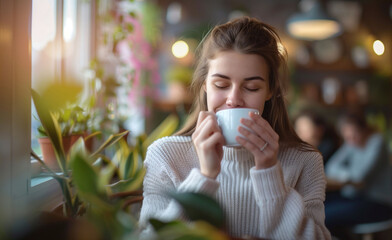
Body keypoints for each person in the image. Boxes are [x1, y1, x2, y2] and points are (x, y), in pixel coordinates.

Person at [139, 17, 331, 239]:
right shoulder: (165, 155)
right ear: (204, 85)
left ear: (269, 91)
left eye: (251, 87)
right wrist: (204, 177)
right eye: (221, 85)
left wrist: (269, 172)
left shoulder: (304, 160)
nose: (234, 99)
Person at [324, 111, 392, 237]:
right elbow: (330, 167)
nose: (352, 140)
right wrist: (346, 175)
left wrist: (344, 175)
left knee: (325, 215)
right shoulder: (351, 142)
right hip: (355, 197)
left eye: (355, 134)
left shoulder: (377, 142)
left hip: (378, 202)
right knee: (317, 206)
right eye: (347, 137)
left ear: (363, 129)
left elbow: (360, 176)